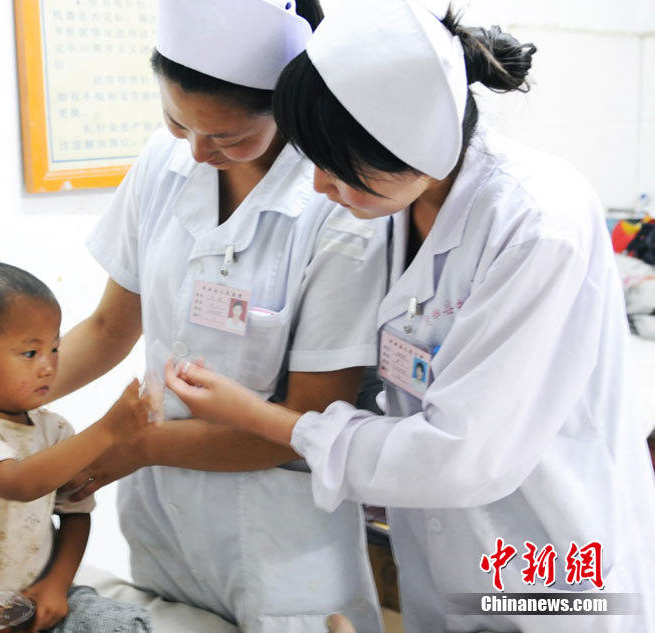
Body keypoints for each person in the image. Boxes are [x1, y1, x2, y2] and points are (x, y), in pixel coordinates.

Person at [163, 1, 655, 632]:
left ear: (415, 152)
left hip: (548, 559)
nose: (318, 187)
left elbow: (463, 455)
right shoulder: (398, 205)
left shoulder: (538, 223)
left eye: (339, 171)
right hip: (449, 556)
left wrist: (268, 420)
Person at [0, 1, 389, 631]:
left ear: (290, 104)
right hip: (167, 518)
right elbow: (111, 327)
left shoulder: (339, 208)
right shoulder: (164, 165)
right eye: (176, 120)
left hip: (280, 530)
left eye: (226, 136)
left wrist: (130, 443)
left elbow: (305, 421)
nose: (195, 152)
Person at [0, 262, 152, 632]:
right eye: (30, 354)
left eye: (55, 348)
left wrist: (57, 586)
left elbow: (75, 511)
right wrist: (108, 431)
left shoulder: (54, 429)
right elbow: (20, 484)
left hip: (42, 600)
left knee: (123, 626)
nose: (49, 366)